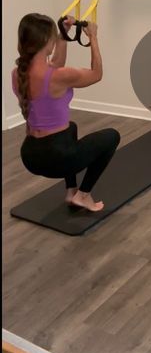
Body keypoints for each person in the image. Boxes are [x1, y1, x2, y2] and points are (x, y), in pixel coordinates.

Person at [12, 13, 120, 212]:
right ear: (47, 41)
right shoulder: (60, 76)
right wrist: (93, 37)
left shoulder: (17, 74)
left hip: (30, 155)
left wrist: (63, 35)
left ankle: (71, 190)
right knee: (112, 136)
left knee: (71, 127)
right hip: (56, 158)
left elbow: (54, 67)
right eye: (53, 36)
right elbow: (96, 74)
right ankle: (84, 195)